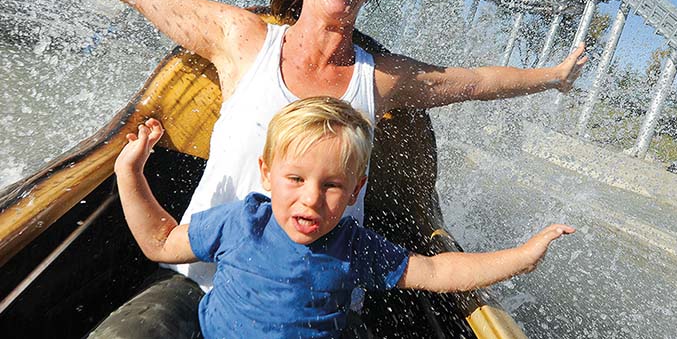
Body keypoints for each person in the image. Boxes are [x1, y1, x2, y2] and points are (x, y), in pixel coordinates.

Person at [18, 0, 587, 334]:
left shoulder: (379, 79)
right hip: (202, 287)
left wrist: (554, 75)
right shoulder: (242, 39)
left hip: (324, 309)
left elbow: (475, 81)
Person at [115, 97, 575, 339]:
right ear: (266, 175)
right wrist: (129, 170)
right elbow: (159, 241)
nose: (311, 200)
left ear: (355, 191)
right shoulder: (241, 222)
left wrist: (521, 256)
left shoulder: (354, 246)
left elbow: (435, 270)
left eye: (332, 186)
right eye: (295, 179)